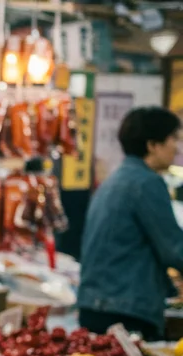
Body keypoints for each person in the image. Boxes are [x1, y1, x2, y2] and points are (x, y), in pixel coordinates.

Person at [77, 106, 183, 341]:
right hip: (127, 311)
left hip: (95, 306)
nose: (177, 147)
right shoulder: (146, 183)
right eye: (173, 139)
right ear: (153, 145)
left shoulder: (114, 180)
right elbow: (174, 248)